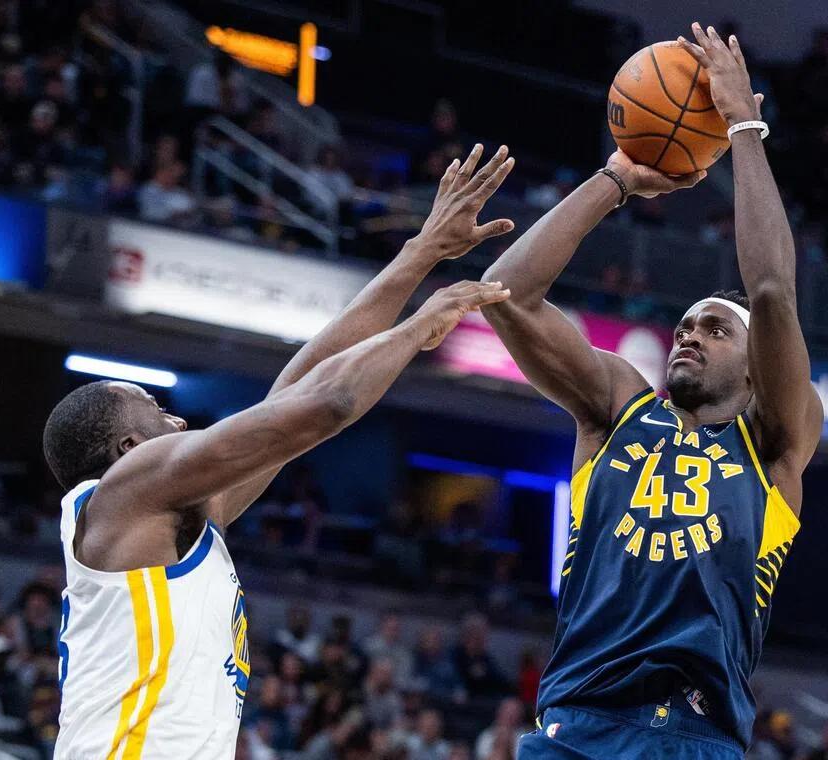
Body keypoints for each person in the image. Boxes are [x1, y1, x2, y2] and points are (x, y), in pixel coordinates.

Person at [43, 144, 517, 758]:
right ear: (129, 447)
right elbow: (327, 404)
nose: (179, 416)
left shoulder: (173, 520)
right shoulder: (128, 491)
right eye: (158, 412)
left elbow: (295, 388)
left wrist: (422, 250)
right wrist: (415, 328)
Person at [483, 23, 822, 760]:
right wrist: (613, 184)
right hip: (576, 729)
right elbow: (506, 296)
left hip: (698, 739)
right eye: (683, 326)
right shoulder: (616, 412)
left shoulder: (774, 444)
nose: (689, 334)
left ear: (758, 369)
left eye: (713, 329)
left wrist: (743, 128)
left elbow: (771, 292)